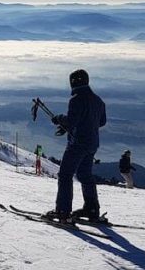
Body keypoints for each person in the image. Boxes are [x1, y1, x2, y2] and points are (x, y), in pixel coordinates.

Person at [44, 69, 107, 223]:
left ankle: (63, 211)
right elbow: (102, 122)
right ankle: (92, 209)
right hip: (92, 143)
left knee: (65, 175)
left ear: (73, 82)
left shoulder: (76, 100)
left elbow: (71, 121)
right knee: (85, 175)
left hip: (77, 143)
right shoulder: (98, 100)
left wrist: (59, 119)